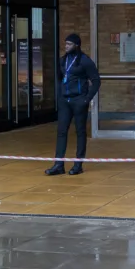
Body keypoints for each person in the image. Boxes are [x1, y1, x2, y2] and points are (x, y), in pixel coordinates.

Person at [45, 34, 100, 176]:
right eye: (66, 44)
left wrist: (86, 99)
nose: (66, 46)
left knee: (80, 132)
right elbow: (58, 78)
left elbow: (96, 81)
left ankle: (78, 164)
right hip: (65, 101)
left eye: (69, 44)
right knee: (61, 131)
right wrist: (60, 95)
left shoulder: (85, 61)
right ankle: (58, 164)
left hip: (79, 100)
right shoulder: (63, 60)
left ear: (77, 45)